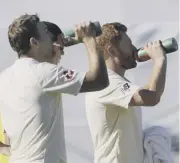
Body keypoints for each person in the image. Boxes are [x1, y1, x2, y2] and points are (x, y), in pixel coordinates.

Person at [0, 14, 109, 163]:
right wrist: (90, 40)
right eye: (45, 32)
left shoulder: (4, 77)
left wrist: (6, 149)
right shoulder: (43, 72)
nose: (50, 38)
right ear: (34, 42)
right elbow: (99, 80)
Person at [85, 22, 167, 163]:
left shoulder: (116, 82)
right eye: (128, 44)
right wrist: (159, 60)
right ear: (112, 51)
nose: (134, 49)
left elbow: (147, 91)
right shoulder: (107, 83)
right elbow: (151, 97)